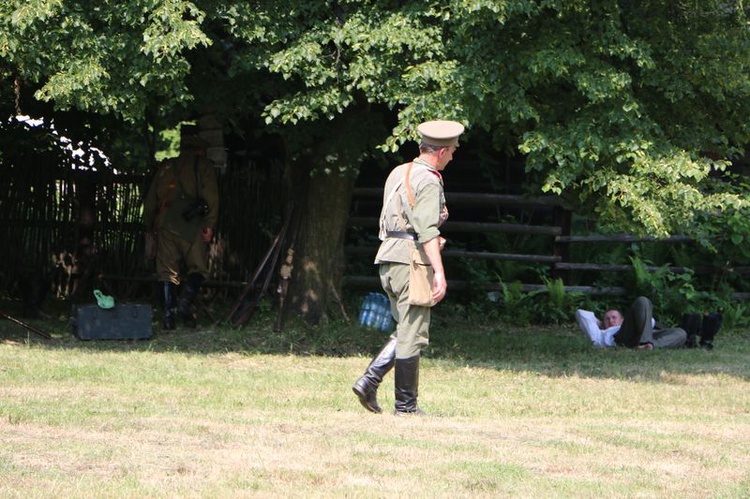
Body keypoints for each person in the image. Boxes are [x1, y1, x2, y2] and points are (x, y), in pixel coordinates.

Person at [352, 119, 465, 416]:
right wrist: (439, 272)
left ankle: (370, 384)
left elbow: (399, 218)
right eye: (452, 151)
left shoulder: (399, 172)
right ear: (440, 152)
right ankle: (403, 405)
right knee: (413, 331)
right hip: (410, 261)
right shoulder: (428, 179)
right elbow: (425, 231)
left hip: (388, 258)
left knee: (405, 328)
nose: (453, 156)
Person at [144, 129, 219, 330]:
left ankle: (168, 319)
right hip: (192, 224)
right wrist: (209, 224)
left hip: (166, 223)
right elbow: (211, 197)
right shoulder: (204, 166)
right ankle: (185, 306)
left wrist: (150, 224)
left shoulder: (167, 166)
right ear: (201, 151)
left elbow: (152, 200)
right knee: (198, 268)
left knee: (167, 271)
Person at [576, 296, 686, 349]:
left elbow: (651, 321)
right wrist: (600, 324)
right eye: (607, 319)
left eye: (614, 317)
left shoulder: (625, 323)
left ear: (622, 320)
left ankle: (648, 347)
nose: (610, 321)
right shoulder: (600, 334)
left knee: (681, 333)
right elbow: (581, 313)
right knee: (642, 301)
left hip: (642, 333)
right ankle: (645, 344)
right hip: (623, 337)